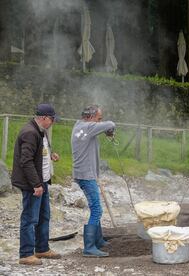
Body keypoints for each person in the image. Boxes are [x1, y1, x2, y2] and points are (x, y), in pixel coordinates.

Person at [11, 103, 61, 265]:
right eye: (52, 119)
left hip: (43, 182)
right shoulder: (30, 133)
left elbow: (38, 153)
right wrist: (36, 185)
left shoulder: (41, 131)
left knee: (44, 216)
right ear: (44, 118)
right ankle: (25, 254)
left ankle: (41, 248)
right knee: (30, 218)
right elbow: (25, 161)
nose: (53, 122)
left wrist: (49, 156)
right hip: (33, 184)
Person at [71, 105, 115, 257]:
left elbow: (102, 126)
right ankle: (89, 247)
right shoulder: (89, 127)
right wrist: (108, 129)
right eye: (99, 118)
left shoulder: (79, 126)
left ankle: (99, 240)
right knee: (97, 210)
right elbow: (110, 124)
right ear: (91, 117)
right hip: (86, 176)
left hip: (84, 173)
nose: (100, 121)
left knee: (96, 208)